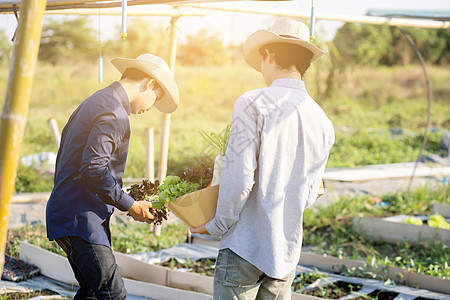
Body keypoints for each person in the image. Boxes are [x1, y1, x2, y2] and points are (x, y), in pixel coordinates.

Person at [190, 18, 335, 299]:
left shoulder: (252, 103)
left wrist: (216, 224)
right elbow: (308, 195)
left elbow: (240, 177)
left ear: (269, 54)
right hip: (285, 252)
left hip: (246, 244)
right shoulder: (321, 120)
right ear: (305, 62)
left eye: (262, 60)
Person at [46, 53, 179, 299]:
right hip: (81, 218)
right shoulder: (114, 112)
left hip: (72, 213)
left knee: (93, 292)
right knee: (111, 294)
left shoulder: (99, 100)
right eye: (155, 98)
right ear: (149, 84)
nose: (149, 107)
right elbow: (94, 169)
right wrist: (131, 205)